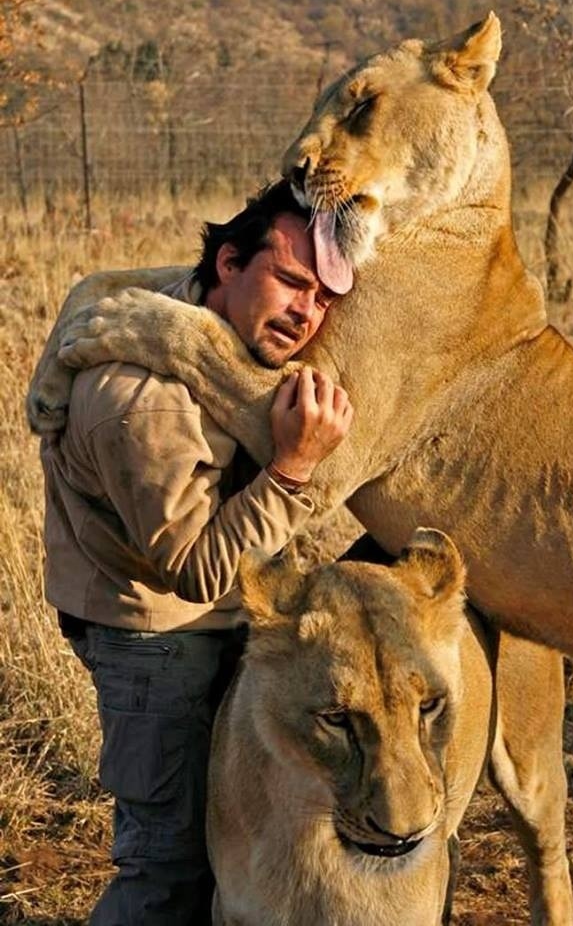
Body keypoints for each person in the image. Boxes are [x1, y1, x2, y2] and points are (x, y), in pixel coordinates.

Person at [38, 180, 354, 925]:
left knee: (231, 850)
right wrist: (291, 469)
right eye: (291, 281)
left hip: (219, 623)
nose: (306, 313)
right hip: (155, 636)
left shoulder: (196, 321)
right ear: (228, 263)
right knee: (168, 865)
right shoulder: (141, 399)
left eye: (324, 298)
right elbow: (197, 571)